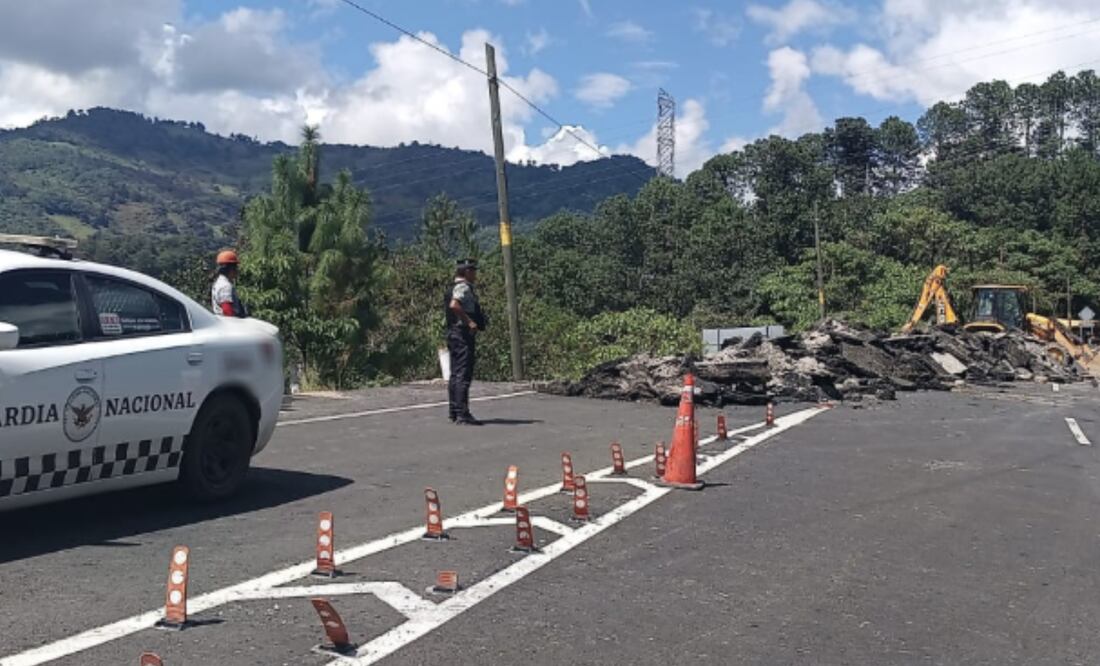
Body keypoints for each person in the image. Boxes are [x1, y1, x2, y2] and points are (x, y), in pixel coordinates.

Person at [445, 258, 486, 425]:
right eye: (473, 271)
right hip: (462, 334)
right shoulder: (463, 287)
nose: (475, 274)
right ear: (467, 272)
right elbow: (454, 305)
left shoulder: (451, 287)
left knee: (455, 374)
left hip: (452, 333)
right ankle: (463, 413)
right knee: (463, 373)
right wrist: (469, 322)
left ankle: (454, 411)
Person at [211, 249, 248, 318]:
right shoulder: (225, 286)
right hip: (230, 323)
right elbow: (227, 310)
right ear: (231, 269)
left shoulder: (219, 282)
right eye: (235, 268)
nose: (237, 270)